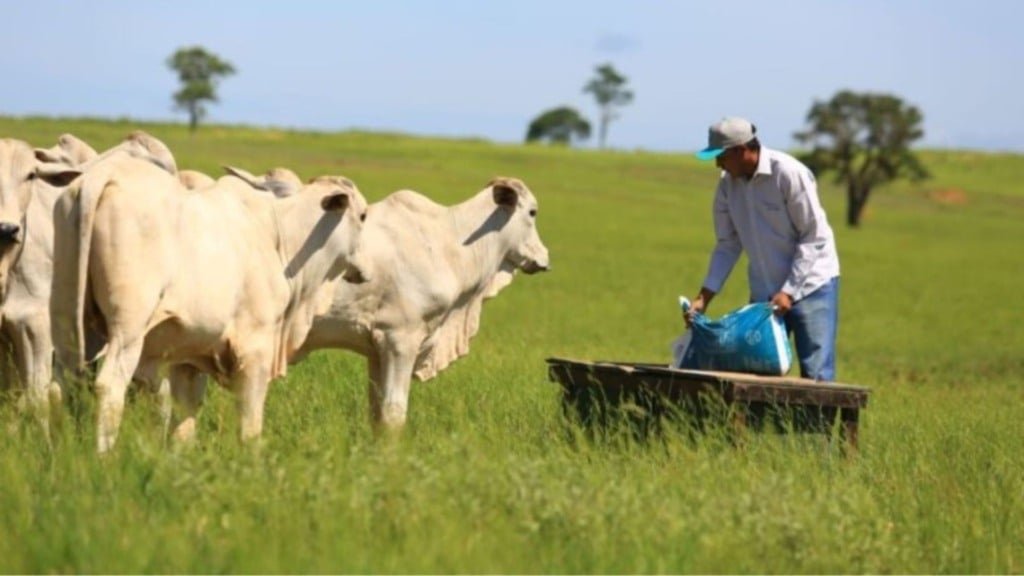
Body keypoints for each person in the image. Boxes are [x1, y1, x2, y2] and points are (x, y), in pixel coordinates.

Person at [686, 117, 840, 381]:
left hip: (811, 286)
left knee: (815, 373)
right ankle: (766, 424)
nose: (717, 164)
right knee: (756, 370)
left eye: (721, 156)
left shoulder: (789, 173)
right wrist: (703, 298)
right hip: (764, 292)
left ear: (741, 149)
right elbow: (727, 244)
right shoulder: (727, 185)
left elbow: (813, 236)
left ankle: (816, 425)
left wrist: (789, 292)